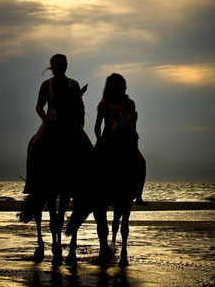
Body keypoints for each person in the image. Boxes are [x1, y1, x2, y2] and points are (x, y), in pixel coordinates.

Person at [24, 53, 92, 194]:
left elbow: (79, 105)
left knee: (88, 147)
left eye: (63, 65)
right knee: (35, 145)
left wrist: (79, 121)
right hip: (50, 123)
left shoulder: (73, 84)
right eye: (58, 64)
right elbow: (39, 106)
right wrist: (45, 118)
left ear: (66, 66)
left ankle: (88, 185)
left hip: (70, 124)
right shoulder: (46, 85)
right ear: (52, 67)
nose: (61, 67)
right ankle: (31, 183)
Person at [94, 73, 147, 206]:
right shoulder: (103, 104)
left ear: (123, 87)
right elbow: (97, 127)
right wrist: (99, 138)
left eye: (119, 86)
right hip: (107, 140)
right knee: (91, 162)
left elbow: (132, 125)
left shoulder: (129, 104)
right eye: (114, 86)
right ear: (109, 88)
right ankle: (87, 193)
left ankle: (139, 195)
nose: (116, 88)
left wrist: (131, 139)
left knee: (141, 161)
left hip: (126, 140)